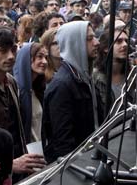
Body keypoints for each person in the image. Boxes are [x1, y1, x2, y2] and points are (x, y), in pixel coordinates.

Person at [0, 27, 45, 178]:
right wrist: (9, 164)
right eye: (2, 51)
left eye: (13, 50)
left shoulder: (11, 82)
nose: (11, 56)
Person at [42, 21, 101, 163]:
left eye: (94, 37)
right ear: (74, 44)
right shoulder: (62, 85)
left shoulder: (84, 77)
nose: (97, 42)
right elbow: (63, 143)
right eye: (89, 39)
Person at [14, 43, 50, 143]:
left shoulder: (37, 89)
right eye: (40, 56)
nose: (45, 61)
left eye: (46, 57)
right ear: (26, 59)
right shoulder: (17, 91)